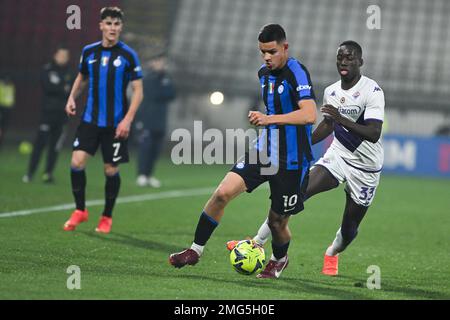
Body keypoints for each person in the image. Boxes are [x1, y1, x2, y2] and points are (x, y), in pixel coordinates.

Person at [169, 24, 317, 279]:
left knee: (277, 223)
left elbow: (309, 114)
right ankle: (195, 250)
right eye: (262, 52)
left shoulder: (296, 72)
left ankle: (279, 259)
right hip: (263, 151)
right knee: (221, 194)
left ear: (285, 47)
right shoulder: (263, 74)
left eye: (272, 51)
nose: (267, 57)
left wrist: (269, 119)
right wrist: (262, 120)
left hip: (292, 160)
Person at [227, 40, 385, 277]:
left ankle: (332, 252)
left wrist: (340, 118)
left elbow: (374, 133)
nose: (344, 61)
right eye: (340, 56)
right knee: (295, 193)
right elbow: (327, 125)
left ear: (360, 62)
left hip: (366, 168)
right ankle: (258, 244)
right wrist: (302, 142)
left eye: (349, 57)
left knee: (350, 229)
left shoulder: (372, 91)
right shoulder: (331, 91)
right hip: (338, 157)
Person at [62, 7, 143, 234]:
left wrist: (127, 120)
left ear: (121, 27)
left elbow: (138, 91)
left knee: (110, 170)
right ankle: (80, 210)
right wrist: (71, 97)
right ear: (101, 26)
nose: (112, 28)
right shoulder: (89, 52)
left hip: (115, 125)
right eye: (108, 23)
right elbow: (82, 77)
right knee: (76, 163)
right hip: (90, 120)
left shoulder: (128, 55)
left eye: (116, 24)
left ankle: (106, 216)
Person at [23, 46, 73, 183]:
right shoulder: (47, 69)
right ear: (55, 55)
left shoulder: (69, 72)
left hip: (62, 116)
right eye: (61, 55)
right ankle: (30, 173)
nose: (63, 58)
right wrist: (62, 87)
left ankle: (48, 174)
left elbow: (70, 91)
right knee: (39, 145)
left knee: (55, 147)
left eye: (65, 56)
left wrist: (61, 88)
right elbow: (48, 87)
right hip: (47, 114)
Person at [135, 53, 175, 188]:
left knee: (155, 150)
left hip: (160, 121)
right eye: (159, 62)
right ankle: (141, 174)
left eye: (163, 63)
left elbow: (171, 94)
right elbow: (155, 93)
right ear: (153, 63)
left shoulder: (166, 78)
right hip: (147, 120)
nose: (162, 65)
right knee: (145, 149)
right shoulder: (147, 77)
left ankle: (149, 175)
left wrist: (163, 87)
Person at [0, 73, 16, 148]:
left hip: (7, 109)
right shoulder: (1, 86)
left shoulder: (11, 86)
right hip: (1, 108)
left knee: (4, 127)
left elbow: (11, 98)